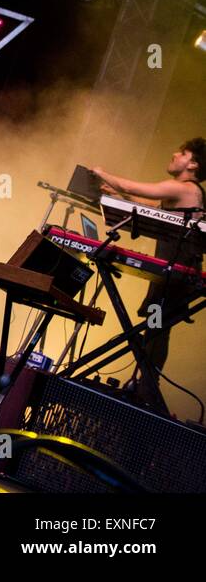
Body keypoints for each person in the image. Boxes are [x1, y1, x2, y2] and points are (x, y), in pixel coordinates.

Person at [92, 138, 206, 406]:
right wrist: (119, 196)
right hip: (173, 270)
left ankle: (147, 390)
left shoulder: (185, 188)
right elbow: (149, 205)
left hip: (176, 271)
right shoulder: (182, 193)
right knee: (157, 327)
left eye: (182, 152)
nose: (174, 153)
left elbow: (138, 188)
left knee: (158, 327)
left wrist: (102, 173)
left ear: (193, 163)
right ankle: (145, 387)